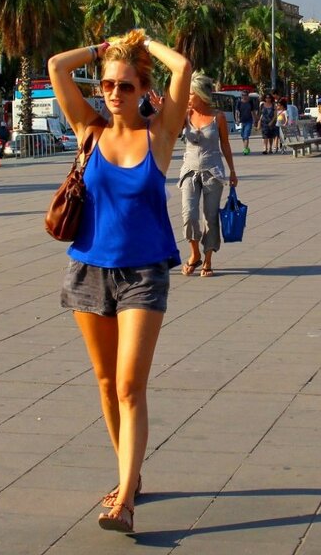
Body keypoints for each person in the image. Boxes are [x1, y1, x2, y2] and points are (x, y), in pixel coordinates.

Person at [48, 29, 191, 534]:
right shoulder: (89, 128)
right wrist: (103, 49)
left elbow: (184, 68)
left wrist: (142, 44)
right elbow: (56, 67)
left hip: (144, 273)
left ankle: (125, 498)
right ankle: (128, 472)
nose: (113, 93)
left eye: (125, 86)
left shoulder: (161, 133)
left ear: (142, 90)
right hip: (88, 268)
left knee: (130, 385)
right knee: (107, 385)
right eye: (107, 85)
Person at [179, 75, 237, 278]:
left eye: (191, 93)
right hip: (189, 171)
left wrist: (232, 171)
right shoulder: (185, 114)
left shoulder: (218, 117)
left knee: (210, 218)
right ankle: (194, 254)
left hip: (213, 172)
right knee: (189, 215)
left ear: (202, 95)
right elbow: (169, 130)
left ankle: (208, 259)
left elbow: (225, 145)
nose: (188, 97)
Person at [234, 90, 256, 155]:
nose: (244, 96)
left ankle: (245, 149)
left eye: (245, 95)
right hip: (241, 121)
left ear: (247, 96)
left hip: (249, 120)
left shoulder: (250, 102)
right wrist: (237, 119)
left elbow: (253, 112)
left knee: (246, 135)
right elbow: (237, 112)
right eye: (243, 95)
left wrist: (254, 120)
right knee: (243, 136)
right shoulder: (239, 102)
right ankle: (246, 147)